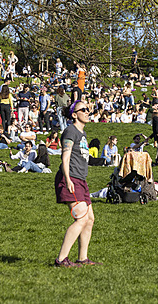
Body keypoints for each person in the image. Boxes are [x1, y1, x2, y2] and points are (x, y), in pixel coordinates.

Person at [54, 101, 100, 267]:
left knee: (90, 219)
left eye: (88, 109)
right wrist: (67, 179)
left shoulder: (82, 133)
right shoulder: (70, 131)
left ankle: (82, 258)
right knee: (81, 218)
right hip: (70, 178)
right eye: (83, 110)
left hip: (81, 179)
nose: (87, 112)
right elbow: (65, 156)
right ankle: (61, 259)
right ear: (74, 115)